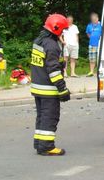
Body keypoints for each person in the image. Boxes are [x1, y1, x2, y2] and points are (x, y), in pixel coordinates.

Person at [30, 14, 71, 156]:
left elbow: (43, 63)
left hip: (37, 86)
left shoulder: (39, 41)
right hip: (48, 89)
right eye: (63, 30)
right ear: (56, 28)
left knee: (41, 116)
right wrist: (63, 89)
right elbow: (53, 71)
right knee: (50, 117)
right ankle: (47, 146)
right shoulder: (52, 45)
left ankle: (39, 144)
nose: (63, 32)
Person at [85, 12, 102, 77]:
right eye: (93, 18)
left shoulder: (101, 25)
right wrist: (92, 37)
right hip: (92, 44)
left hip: (100, 45)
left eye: (95, 18)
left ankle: (99, 71)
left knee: (100, 58)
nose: (94, 19)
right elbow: (88, 33)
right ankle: (91, 72)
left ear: (98, 18)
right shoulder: (89, 25)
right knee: (92, 58)